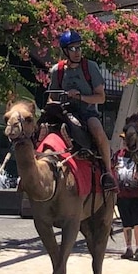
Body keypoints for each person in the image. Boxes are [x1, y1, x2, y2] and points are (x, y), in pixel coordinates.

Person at [48, 29, 116, 191]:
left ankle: (107, 172)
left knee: (97, 129)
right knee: (40, 129)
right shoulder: (56, 71)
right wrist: (53, 104)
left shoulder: (90, 67)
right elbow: (51, 97)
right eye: (72, 49)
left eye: (79, 47)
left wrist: (80, 97)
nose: (77, 52)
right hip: (63, 113)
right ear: (65, 51)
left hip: (87, 112)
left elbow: (101, 97)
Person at [114, 143, 138, 261]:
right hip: (122, 194)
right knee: (126, 224)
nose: (125, 143)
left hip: (136, 194)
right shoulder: (118, 155)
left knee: (137, 223)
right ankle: (128, 248)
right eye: (124, 141)